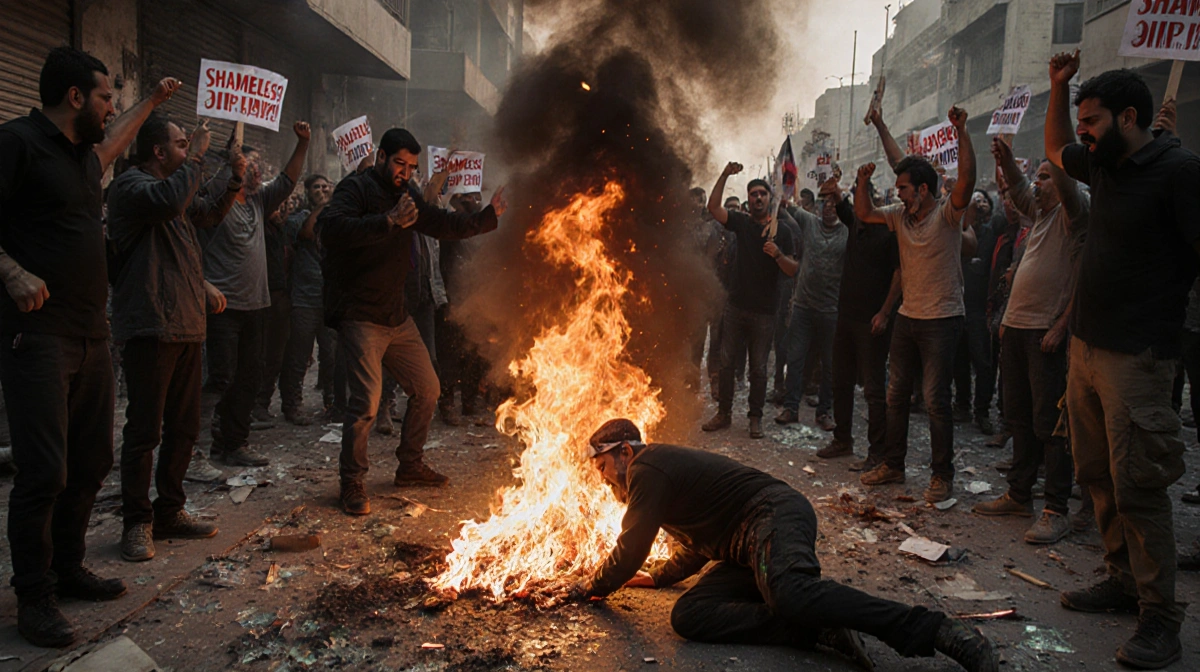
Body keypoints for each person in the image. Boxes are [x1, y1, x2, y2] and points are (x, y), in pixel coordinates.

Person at [0, 46, 180, 648]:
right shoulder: (18, 143)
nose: (113, 108)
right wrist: (10, 271)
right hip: (40, 336)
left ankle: (67, 566)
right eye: (107, 97)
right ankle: (35, 596)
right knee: (43, 470)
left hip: (91, 333)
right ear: (75, 97)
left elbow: (109, 147)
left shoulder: (81, 156)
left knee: (91, 461)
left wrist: (151, 102)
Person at [573, 418, 999, 672]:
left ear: (625, 451)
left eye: (603, 466)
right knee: (690, 614)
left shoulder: (647, 468)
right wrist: (661, 576)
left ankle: (941, 631)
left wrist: (591, 585)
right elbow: (701, 541)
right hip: (746, 545)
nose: (603, 477)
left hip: (773, 514)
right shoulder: (658, 474)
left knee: (791, 590)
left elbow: (632, 546)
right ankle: (814, 625)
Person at [1044, 50, 1200, 669]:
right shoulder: (1105, 162)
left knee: (1139, 489)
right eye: (1082, 120)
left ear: (1129, 117)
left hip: (1138, 358)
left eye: (1093, 120)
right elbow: (1057, 146)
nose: (1083, 132)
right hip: (1085, 350)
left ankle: (1161, 618)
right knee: (1099, 476)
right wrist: (1059, 88)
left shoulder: (1181, 172)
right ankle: (1122, 581)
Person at [319, 128, 505, 516]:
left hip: (396, 315)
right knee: (366, 403)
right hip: (361, 315)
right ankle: (352, 481)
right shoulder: (355, 189)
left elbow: (439, 222)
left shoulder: (407, 196)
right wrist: (387, 221)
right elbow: (333, 230)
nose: (404, 172)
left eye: (411, 167)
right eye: (399, 164)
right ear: (382, 156)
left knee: (428, 389)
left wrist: (487, 217)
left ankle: (410, 465)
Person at [108, 113, 247, 564]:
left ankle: (170, 510)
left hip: (186, 324)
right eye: (182, 145)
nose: (189, 151)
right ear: (158, 151)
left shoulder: (174, 190)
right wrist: (202, 156)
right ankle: (136, 522)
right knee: (145, 430)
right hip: (150, 323)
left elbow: (202, 214)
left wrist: (232, 181)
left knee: (184, 429)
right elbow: (170, 202)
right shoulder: (132, 186)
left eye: (191, 145)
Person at [856, 105, 977, 503]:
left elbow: (966, 180)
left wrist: (962, 132)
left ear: (923, 190)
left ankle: (942, 475)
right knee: (896, 396)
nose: (898, 193)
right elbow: (864, 210)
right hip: (908, 318)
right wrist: (863, 178)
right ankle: (894, 465)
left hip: (942, 319)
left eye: (904, 188)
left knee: (935, 401)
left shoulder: (947, 214)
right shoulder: (899, 216)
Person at [972, 137, 1088, 547]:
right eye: (1036, 176)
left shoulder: (1073, 213)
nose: (1036, 185)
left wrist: (1062, 325)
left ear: (1066, 181)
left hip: (1046, 332)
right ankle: (1020, 496)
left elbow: (1079, 279)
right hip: (1018, 329)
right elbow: (1020, 190)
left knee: (1050, 426)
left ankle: (1055, 510)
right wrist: (1005, 162)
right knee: (1018, 416)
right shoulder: (1040, 215)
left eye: (1045, 176)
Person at [202, 121, 310, 468]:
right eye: (249, 165)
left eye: (257, 166)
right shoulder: (212, 204)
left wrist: (303, 143)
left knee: (250, 376)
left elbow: (288, 180)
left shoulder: (259, 202)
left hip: (256, 306)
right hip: (222, 306)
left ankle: (234, 443)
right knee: (220, 376)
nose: (257, 171)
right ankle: (193, 446)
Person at [702, 166, 798, 438]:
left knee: (757, 369)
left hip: (765, 312)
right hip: (736, 306)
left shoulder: (783, 231)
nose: (758, 198)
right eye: (753, 194)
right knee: (727, 363)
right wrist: (723, 175)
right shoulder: (741, 223)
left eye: (762, 194)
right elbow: (713, 207)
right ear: (748, 200)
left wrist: (778, 255)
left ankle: (755, 418)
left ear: (769, 198)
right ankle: (724, 413)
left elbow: (793, 269)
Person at [815, 174, 901, 468]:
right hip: (846, 317)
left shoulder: (889, 232)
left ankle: (877, 453)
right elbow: (841, 204)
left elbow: (898, 274)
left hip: (871, 322)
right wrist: (834, 191)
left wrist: (885, 313)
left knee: (874, 389)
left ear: (874, 202)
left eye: (865, 200)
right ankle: (842, 439)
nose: (860, 206)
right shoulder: (855, 225)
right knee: (841, 381)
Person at [775, 190, 846, 431]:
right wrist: (781, 200)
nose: (829, 208)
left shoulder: (847, 232)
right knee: (794, 359)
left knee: (830, 364)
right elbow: (786, 209)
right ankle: (790, 407)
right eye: (825, 204)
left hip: (831, 309)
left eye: (834, 205)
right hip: (803, 306)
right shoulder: (809, 222)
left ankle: (824, 411)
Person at [278, 174, 335, 425]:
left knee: (331, 356)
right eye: (317, 188)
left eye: (325, 186)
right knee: (299, 356)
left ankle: (332, 403)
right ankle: (292, 405)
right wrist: (322, 207)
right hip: (304, 298)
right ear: (307, 192)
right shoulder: (298, 219)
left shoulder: (336, 218)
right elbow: (308, 234)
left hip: (329, 298)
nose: (322, 190)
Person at [955, 190, 999, 434]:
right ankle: (962, 404)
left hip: (979, 308)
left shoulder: (992, 233)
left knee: (982, 361)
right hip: (959, 305)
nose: (978, 204)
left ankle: (981, 410)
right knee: (959, 360)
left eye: (983, 200)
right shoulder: (959, 233)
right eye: (974, 200)